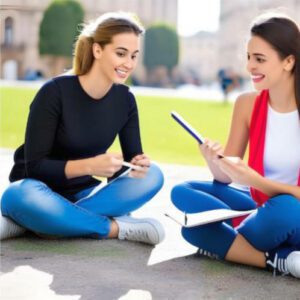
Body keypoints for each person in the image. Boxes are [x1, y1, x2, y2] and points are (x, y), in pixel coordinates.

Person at [0, 12, 165, 245]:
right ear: (97, 50)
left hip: (85, 194)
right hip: (36, 190)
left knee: (153, 175)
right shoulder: (54, 92)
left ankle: (45, 223)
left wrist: (136, 165)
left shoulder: (125, 99)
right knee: (17, 196)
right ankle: (115, 228)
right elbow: (35, 166)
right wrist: (90, 165)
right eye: (120, 53)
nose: (128, 64)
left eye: (134, 56)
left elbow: (128, 167)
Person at [171, 13, 300, 278]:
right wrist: (213, 160)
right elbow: (227, 175)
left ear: (289, 61)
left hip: (290, 211)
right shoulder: (247, 104)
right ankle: (278, 258)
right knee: (182, 195)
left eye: (260, 59)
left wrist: (256, 180)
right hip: (257, 206)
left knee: (286, 209)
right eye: (249, 57)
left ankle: (230, 244)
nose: (250, 66)